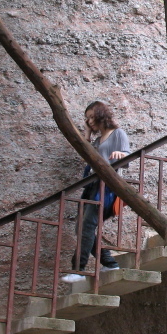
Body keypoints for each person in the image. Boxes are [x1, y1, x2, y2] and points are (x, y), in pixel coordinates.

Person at [62, 100, 130, 283]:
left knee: (87, 226)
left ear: (101, 114)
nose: (90, 121)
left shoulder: (118, 133)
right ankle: (109, 263)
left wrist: (121, 155)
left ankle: (79, 270)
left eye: (91, 117)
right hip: (92, 186)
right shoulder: (99, 140)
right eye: (87, 118)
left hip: (107, 188)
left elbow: (127, 155)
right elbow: (86, 155)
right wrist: (87, 134)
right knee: (81, 227)